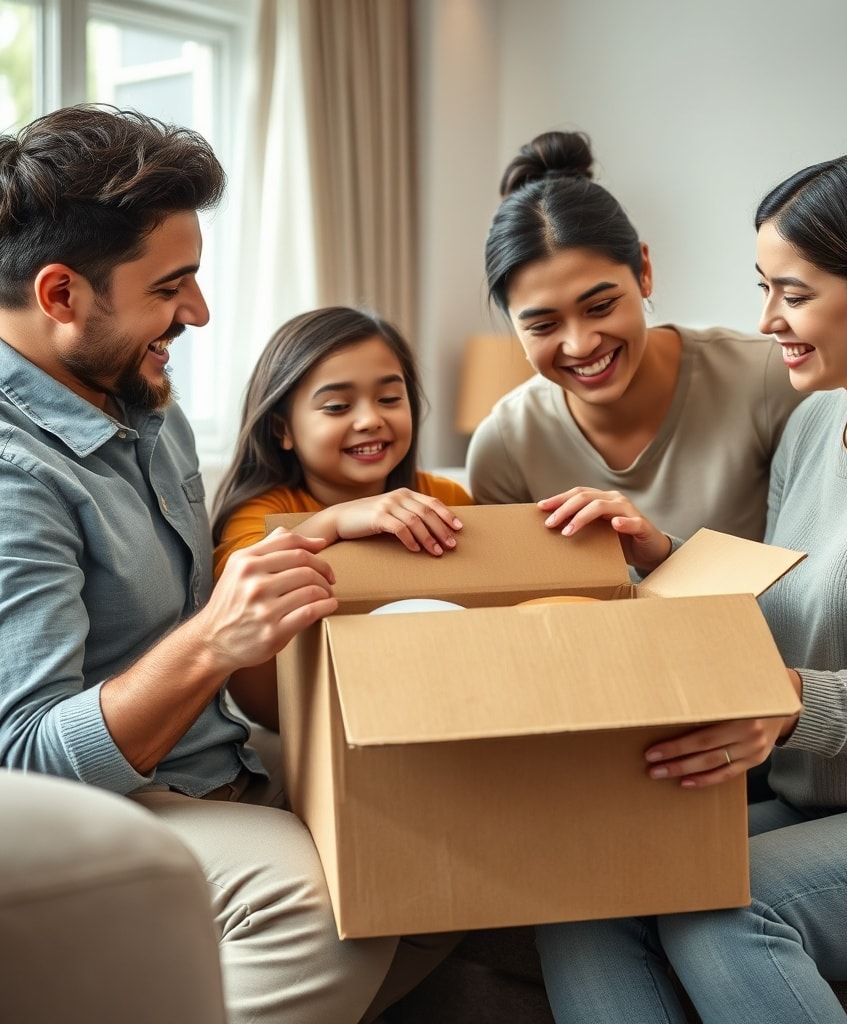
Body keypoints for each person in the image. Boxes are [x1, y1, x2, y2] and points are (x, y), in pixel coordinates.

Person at [534, 151, 847, 1024]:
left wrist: (782, 704)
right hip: (827, 797)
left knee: (732, 906)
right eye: (763, 289)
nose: (767, 320)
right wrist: (660, 553)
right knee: (583, 887)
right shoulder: (810, 425)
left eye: (793, 295)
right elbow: (788, 613)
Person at [0, 105, 451, 1024]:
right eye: (173, 287)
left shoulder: (139, 405)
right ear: (61, 296)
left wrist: (316, 539)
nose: (198, 313)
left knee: (459, 851)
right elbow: (30, 766)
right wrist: (211, 642)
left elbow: (224, 656)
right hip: (102, 806)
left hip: (215, 768)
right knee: (322, 907)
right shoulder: (16, 476)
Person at [468, 130, 803, 566]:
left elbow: (807, 582)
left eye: (601, 306)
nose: (581, 344)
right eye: (544, 324)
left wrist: (660, 555)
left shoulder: (768, 380)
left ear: (644, 270)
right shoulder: (505, 447)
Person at [211, 306, 472, 729]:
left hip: (437, 702)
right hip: (312, 720)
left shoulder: (445, 498)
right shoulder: (262, 513)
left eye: (390, 399)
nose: (370, 420)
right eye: (336, 406)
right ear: (284, 430)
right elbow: (243, 589)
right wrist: (333, 521)